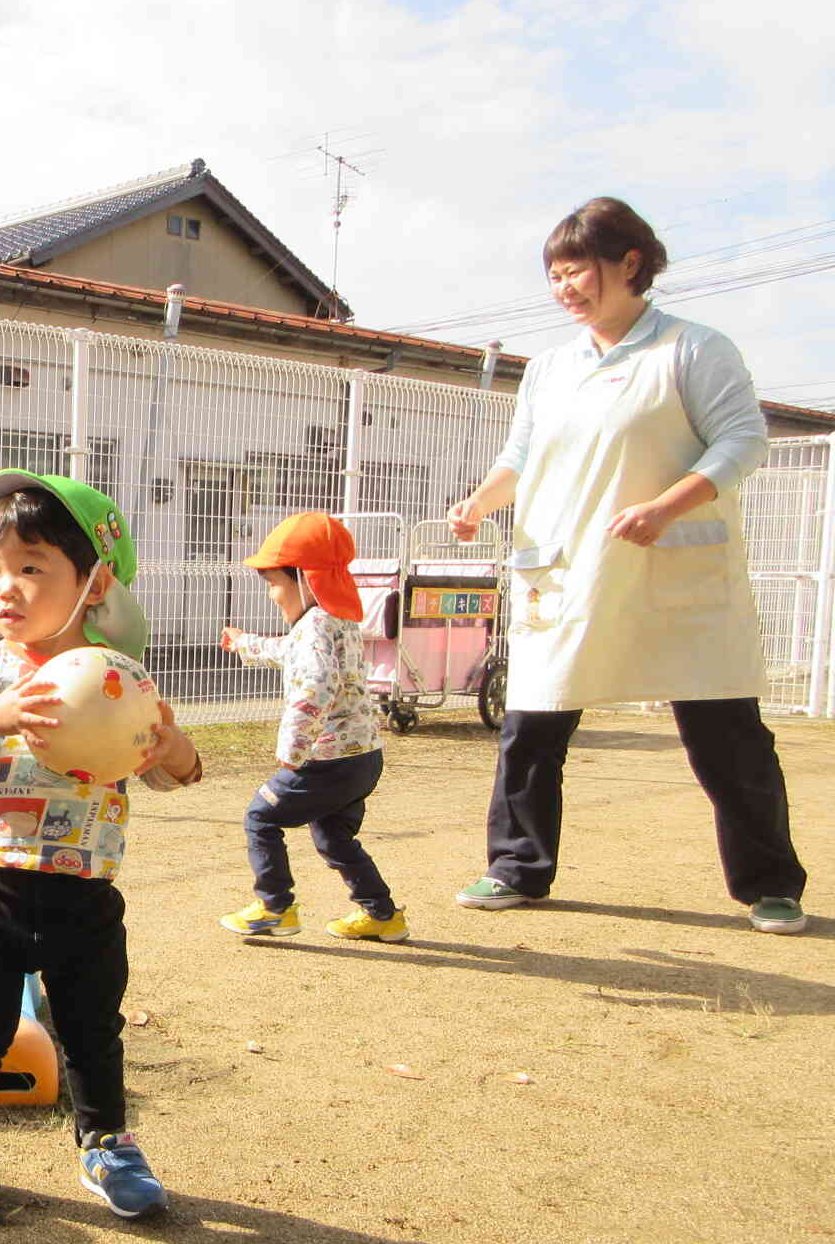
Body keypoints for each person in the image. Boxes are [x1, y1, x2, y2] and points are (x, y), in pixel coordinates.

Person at [446, 197, 807, 935]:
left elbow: (742, 441)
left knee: (725, 734)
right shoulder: (549, 367)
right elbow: (522, 455)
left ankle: (771, 884)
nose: (563, 288)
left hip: (669, 575)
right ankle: (516, 867)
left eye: (574, 270)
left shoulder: (693, 349)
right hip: (567, 572)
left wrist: (668, 507)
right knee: (532, 726)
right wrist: (480, 503)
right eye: (554, 275)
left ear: (630, 263)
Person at [0, 468, 201, 1224]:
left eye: (30, 568)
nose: (5, 587)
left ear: (93, 580)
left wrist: (170, 748)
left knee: (91, 1026)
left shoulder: (121, 678)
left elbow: (176, 773)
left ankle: (106, 1141)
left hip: (85, 890)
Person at [216, 512, 404, 943]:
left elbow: (316, 683)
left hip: (327, 759)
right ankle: (382, 914)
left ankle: (275, 907)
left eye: (274, 584)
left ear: (304, 578)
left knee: (260, 817)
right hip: (363, 758)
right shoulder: (336, 620)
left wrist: (293, 746)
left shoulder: (315, 625)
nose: (271, 596)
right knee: (335, 838)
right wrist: (248, 644)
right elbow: (292, 650)